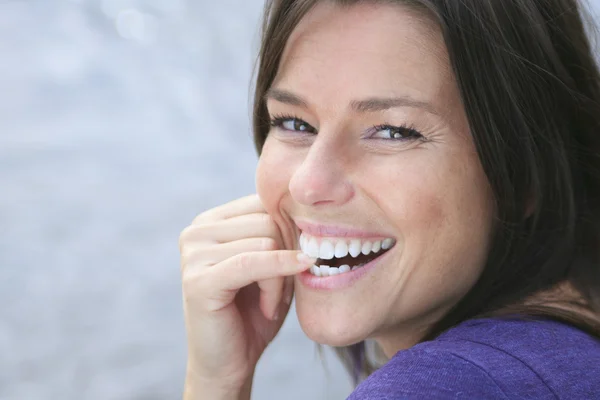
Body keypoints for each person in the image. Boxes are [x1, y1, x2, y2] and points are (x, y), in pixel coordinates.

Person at [178, 0, 600, 398]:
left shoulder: (439, 386)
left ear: (524, 170)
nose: (307, 184)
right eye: (294, 123)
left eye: (393, 131)